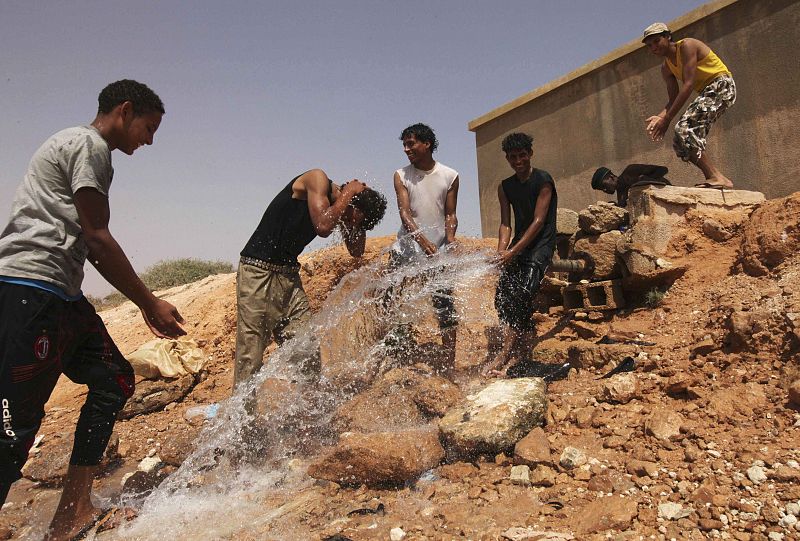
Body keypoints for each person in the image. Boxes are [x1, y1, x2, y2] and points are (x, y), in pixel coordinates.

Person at [0, 80, 186, 541]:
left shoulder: (80, 146)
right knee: (13, 430)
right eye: (149, 127)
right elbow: (97, 238)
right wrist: (149, 304)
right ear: (125, 110)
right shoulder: (89, 145)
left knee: (115, 379)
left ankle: (72, 511)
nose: (150, 140)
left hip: (61, 296)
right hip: (31, 292)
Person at [234, 169, 387, 390]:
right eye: (349, 218)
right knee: (251, 353)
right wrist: (349, 193)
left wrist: (357, 220)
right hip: (257, 272)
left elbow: (356, 250)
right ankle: (239, 413)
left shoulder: (339, 208)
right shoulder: (317, 178)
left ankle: (306, 408)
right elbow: (323, 226)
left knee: (306, 351)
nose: (346, 222)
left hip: (288, 277)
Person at [483, 133, 557, 378]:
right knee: (502, 296)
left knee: (523, 292)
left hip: (541, 244)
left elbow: (538, 221)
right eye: (513, 157)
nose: (518, 161)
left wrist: (513, 252)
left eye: (522, 155)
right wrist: (501, 251)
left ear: (530, 154)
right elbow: (506, 223)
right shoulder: (505, 187)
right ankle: (516, 347)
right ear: (507, 158)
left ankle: (509, 353)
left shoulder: (543, 180)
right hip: (518, 245)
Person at [389, 123, 459, 374]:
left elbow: (450, 214)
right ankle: (396, 359)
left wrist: (450, 238)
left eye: (411, 144)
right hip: (405, 250)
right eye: (404, 145)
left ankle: (449, 363)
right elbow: (405, 214)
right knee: (394, 302)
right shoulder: (401, 175)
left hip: (436, 252)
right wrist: (422, 241)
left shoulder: (450, 175)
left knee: (445, 304)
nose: (406, 149)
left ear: (427, 144)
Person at [643, 22, 737, 188]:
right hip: (707, 92)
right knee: (680, 141)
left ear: (668, 36)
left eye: (657, 41)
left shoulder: (687, 46)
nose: (654, 48)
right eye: (649, 45)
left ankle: (716, 176)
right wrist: (660, 117)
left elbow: (688, 84)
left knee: (684, 128)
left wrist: (667, 120)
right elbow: (672, 99)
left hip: (722, 84)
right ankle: (715, 178)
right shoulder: (666, 68)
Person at [591, 164, 671, 207]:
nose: (604, 190)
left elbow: (662, 170)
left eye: (603, 186)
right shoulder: (621, 194)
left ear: (611, 177)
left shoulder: (630, 171)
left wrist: (645, 182)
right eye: (602, 189)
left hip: (668, 199)